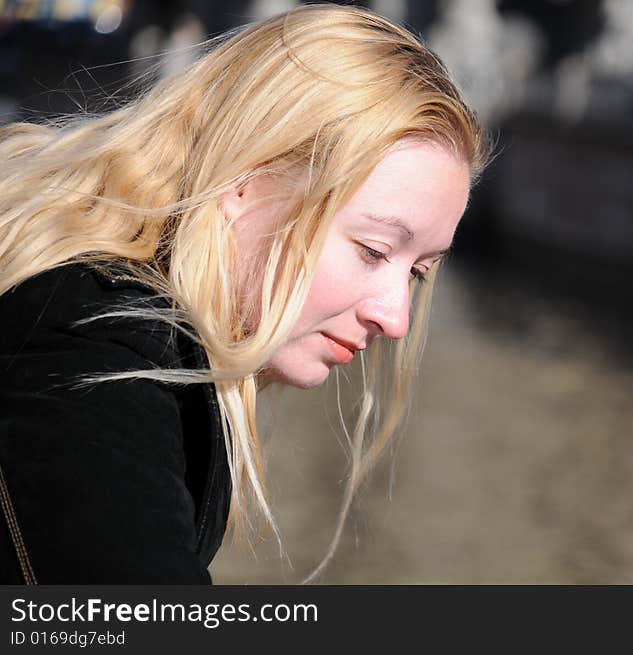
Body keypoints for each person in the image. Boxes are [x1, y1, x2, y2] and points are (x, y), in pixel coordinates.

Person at [0, 4, 488, 584]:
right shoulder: (90, 348)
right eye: (373, 250)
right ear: (245, 184)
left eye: (419, 272)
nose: (397, 319)